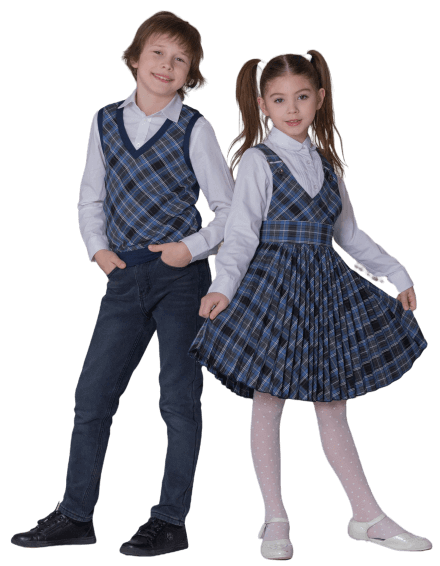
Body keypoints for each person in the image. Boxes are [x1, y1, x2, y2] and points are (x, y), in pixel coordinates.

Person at [188, 51, 432, 559]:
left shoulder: (327, 165)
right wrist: (223, 286)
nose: (292, 109)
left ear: (320, 98)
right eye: (280, 100)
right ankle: (275, 518)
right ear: (263, 105)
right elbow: (241, 234)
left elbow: (349, 234)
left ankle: (366, 516)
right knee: (268, 401)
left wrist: (397, 272)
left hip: (323, 291)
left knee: (332, 403)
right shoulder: (258, 161)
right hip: (272, 290)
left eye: (302, 97)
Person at [10, 10, 233, 557]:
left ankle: (170, 521)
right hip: (125, 276)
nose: (167, 65)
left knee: (177, 401)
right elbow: (91, 195)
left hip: (182, 279)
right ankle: (75, 516)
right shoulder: (105, 120)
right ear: (135, 58)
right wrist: (99, 251)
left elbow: (229, 211)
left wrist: (190, 249)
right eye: (158, 53)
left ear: (190, 75)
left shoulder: (195, 128)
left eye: (180, 60)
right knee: (91, 397)